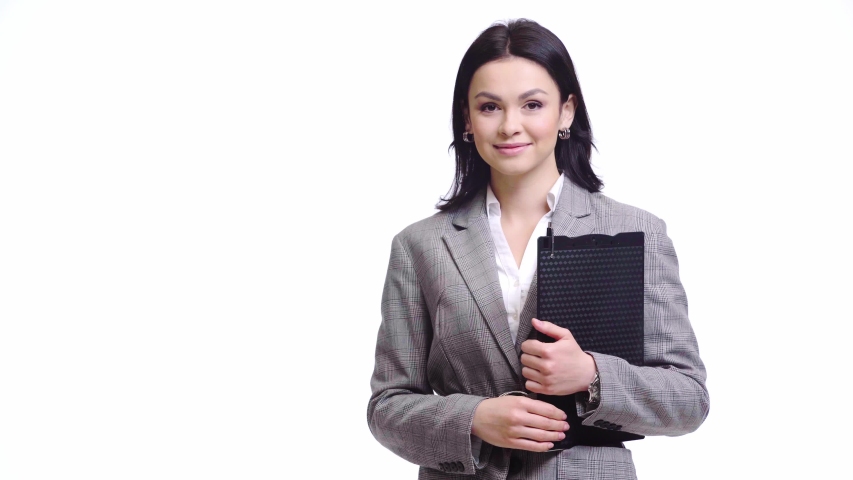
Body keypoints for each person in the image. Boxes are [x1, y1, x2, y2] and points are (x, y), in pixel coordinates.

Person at [367, 19, 709, 480]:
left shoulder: (636, 231)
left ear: (566, 112)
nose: (511, 126)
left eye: (532, 104)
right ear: (467, 119)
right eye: (489, 107)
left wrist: (592, 374)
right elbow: (388, 406)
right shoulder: (420, 246)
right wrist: (474, 419)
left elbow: (688, 398)